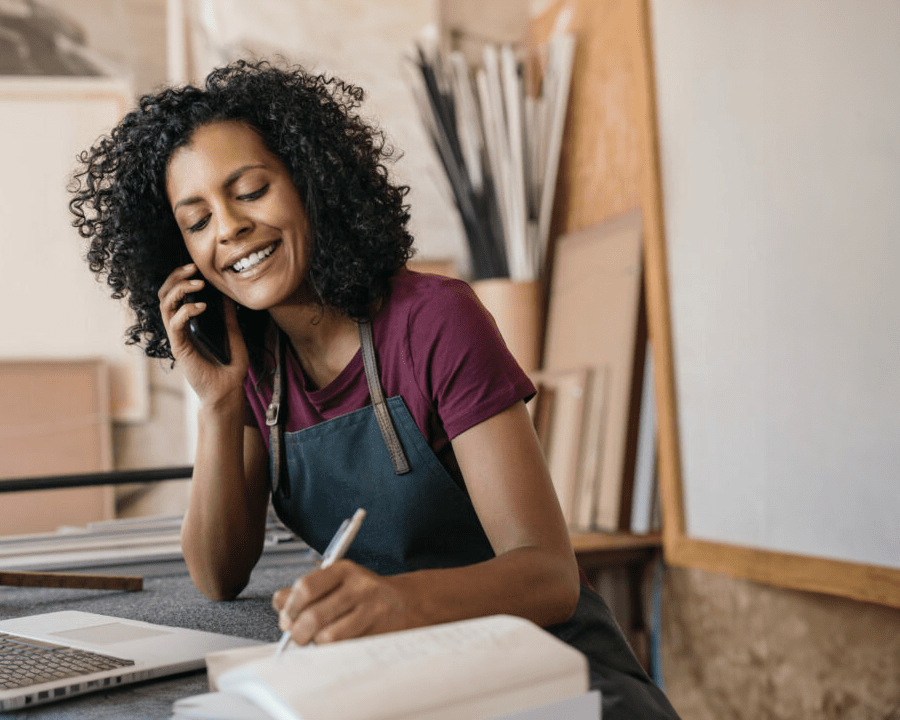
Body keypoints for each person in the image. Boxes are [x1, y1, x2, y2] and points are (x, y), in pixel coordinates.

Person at [70, 59, 678, 719]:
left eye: (249, 190)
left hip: (554, 674)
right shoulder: (257, 365)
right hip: (410, 673)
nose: (228, 228)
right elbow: (219, 575)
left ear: (310, 182)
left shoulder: (435, 320)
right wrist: (217, 404)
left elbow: (550, 577)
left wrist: (401, 601)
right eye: (197, 220)